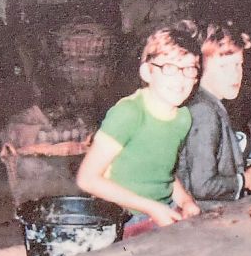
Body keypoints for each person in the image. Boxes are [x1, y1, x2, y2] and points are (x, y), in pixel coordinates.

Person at [76, 21, 201, 238]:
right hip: (120, 218)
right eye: (169, 68)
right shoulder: (129, 113)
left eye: (189, 69)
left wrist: (185, 200)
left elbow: (164, 173)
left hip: (161, 211)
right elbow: (87, 179)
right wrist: (151, 207)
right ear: (147, 72)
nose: (180, 79)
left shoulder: (183, 118)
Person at [177, 22, 251, 201]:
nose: (235, 74)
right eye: (224, 67)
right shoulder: (203, 111)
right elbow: (202, 187)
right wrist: (247, 180)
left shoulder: (212, 104)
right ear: (200, 68)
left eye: (239, 65)